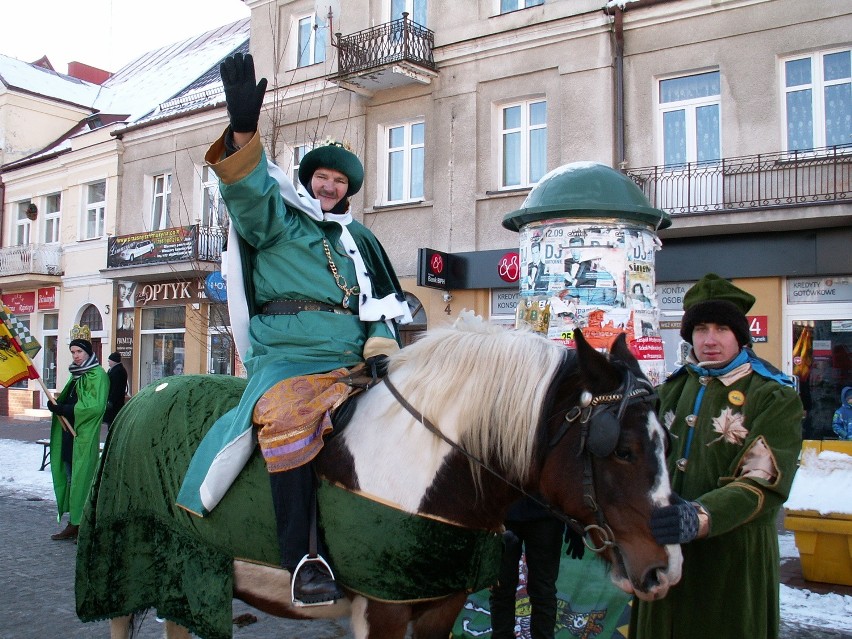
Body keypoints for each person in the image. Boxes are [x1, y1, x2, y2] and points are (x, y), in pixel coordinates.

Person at [177, 53, 411, 604]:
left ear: (349, 189)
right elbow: (249, 196)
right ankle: (302, 557)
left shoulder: (364, 240)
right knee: (288, 415)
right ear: (308, 181)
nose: (329, 186)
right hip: (290, 358)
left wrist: (384, 347)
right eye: (321, 177)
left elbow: (383, 301)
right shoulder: (279, 220)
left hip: (354, 356)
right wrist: (242, 133)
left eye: (338, 180)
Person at [629, 273, 803, 639]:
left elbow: (764, 481)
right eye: (701, 328)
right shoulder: (668, 391)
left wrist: (700, 518)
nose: (709, 340)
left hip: (734, 562)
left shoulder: (772, 395)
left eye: (722, 328)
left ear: (740, 335)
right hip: (664, 551)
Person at [490, 496, 580, 639]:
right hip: (504, 509)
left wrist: (575, 518)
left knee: (543, 591)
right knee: (501, 587)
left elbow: (568, 474)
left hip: (547, 513)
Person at [46, 339, 109, 541]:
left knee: (81, 480)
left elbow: (95, 407)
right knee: (72, 478)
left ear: (88, 352)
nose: (76, 355)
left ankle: (83, 523)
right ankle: (74, 521)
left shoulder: (96, 375)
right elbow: (71, 399)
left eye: (79, 351)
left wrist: (64, 408)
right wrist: (57, 404)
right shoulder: (76, 375)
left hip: (82, 436)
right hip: (68, 435)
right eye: (73, 351)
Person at [103, 352, 128, 427]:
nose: (108, 362)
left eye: (109, 360)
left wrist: (110, 400)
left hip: (115, 402)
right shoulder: (113, 370)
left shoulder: (118, 371)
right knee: (110, 422)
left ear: (113, 361)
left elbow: (116, 388)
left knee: (113, 421)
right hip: (113, 401)